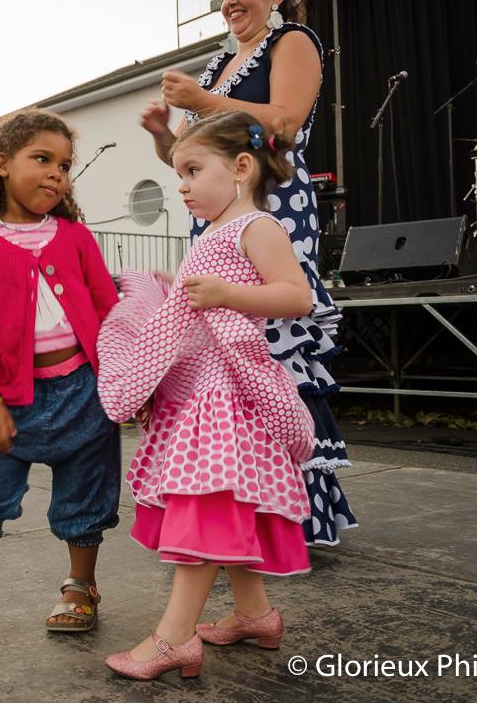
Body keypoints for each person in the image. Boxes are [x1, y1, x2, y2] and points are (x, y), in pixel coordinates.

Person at [140, 0, 356, 547]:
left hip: (270, 206)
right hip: (216, 215)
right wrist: (166, 133)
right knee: (221, 353)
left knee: (267, 343)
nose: (231, 0)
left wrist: (202, 102)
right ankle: (237, 497)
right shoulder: (220, 62)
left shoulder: (293, 41)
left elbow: (284, 122)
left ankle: (291, 510)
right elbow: (196, 152)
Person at [99, 111, 315, 680]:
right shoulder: (215, 233)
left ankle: (174, 639)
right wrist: (177, 288)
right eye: (180, 174)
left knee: (206, 505)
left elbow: (297, 297)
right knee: (224, 503)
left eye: (193, 170)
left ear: (242, 167)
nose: (184, 185)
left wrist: (226, 293)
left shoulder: (257, 228)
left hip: (226, 398)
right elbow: (205, 301)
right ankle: (256, 613)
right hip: (202, 392)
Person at [0, 109, 121, 643]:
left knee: (86, 497)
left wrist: (127, 382)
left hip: (86, 393)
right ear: (3, 164)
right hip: (11, 401)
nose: (56, 173)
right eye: (42, 159)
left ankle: (81, 585)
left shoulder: (76, 238)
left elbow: (108, 314)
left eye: (64, 164)